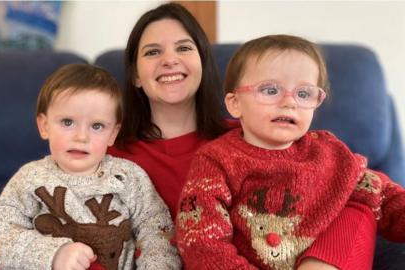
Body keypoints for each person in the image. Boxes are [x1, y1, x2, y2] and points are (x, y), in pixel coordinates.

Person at [108, 3, 382, 270]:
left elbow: (351, 183)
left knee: (361, 199)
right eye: (153, 52)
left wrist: (322, 260)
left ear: (202, 62)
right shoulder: (108, 155)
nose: (169, 60)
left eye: (184, 48)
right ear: (135, 75)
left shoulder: (254, 135)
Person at [175, 34, 405, 270]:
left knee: (361, 207)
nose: (289, 102)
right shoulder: (217, 160)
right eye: (270, 90)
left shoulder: (329, 152)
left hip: (324, 262)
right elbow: (201, 242)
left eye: (303, 93)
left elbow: (382, 194)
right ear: (235, 104)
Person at [0, 63, 181, 270]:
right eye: (68, 122)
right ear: (44, 125)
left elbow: (157, 231)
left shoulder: (128, 176)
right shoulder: (30, 178)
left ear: (113, 134)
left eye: (97, 126)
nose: (81, 137)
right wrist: (54, 254)